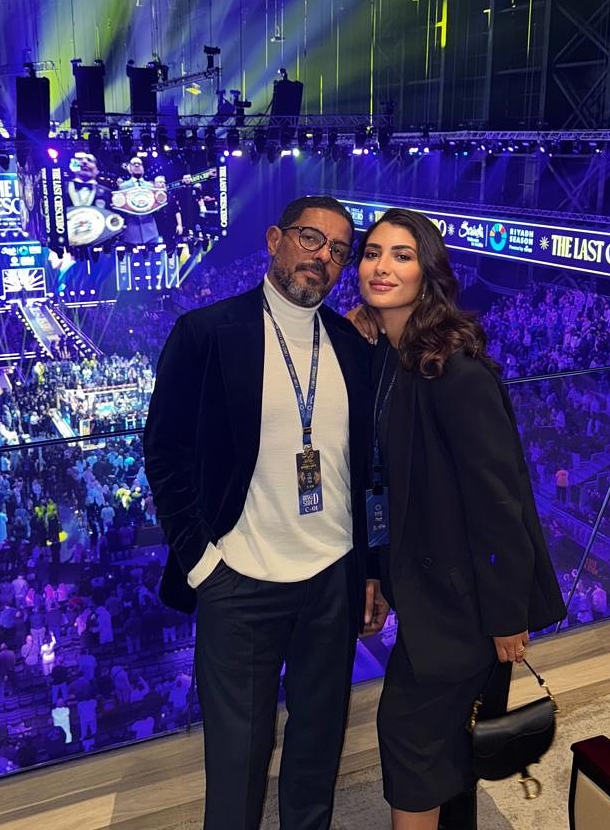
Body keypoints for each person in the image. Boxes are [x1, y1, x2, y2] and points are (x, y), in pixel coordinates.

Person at [145, 195, 375, 830]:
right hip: (239, 580)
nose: (322, 257)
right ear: (275, 240)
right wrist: (201, 564)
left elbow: (368, 468)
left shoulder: (353, 346)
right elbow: (164, 454)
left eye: (338, 250)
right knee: (238, 762)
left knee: (318, 748)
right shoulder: (205, 333)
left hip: (332, 575)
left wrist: (369, 569)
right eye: (310, 238)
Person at [349, 208, 566, 830]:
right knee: (452, 748)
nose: (382, 266)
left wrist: (507, 616)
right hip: (430, 591)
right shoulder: (392, 360)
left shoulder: (455, 373)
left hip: (466, 604)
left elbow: (498, 503)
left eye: (402, 255)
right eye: (372, 253)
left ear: (429, 273)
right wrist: (378, 571)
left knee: (410, 736)